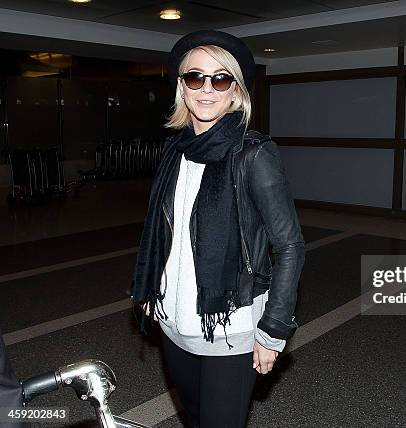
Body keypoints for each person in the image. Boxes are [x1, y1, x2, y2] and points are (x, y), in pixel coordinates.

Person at [130, 29, 305, 428]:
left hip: (232, 325)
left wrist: (272, 331)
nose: (207, 89)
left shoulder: (254, 154)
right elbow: (163, 233)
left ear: (235, 91)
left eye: (220, 78)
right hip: (175, 324)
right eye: (195, 77)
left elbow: (290, 246)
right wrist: (152, 289)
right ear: (181, 86)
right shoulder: (175, 151)